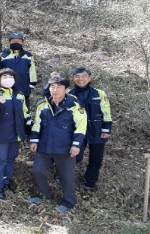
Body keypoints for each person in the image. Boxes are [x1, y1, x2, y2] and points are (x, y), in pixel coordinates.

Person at [29, 76, 87, 213]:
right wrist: (34, 140)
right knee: (37, 171)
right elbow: (37, 124)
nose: (55, 90)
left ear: (66, 89)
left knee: (66, 176)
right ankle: (45, 195)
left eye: (59, 87)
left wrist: (76, 144)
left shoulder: (75, 105)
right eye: (52, 87)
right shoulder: (42, 104)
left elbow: (81, 126)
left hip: (65, 147)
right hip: (45, 145)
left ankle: (68, 202)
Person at [0, 68, 31, 200]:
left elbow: (25, 112)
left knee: (11, 159)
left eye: (10, 76)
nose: (8, 79)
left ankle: (6, 181)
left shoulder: (19, 95)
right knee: (0, 160)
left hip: (16, 133)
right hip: (0, 133)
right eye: (4, 76)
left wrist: (28, 122)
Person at [69, 67, 112, 191]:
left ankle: (90, 181)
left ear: (89, 78)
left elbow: (106, 112)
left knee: (96, 158)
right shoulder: (69, 94)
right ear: (73, 78)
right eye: (77, 76)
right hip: (78, 131)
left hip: (97, 130)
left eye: (83, 76)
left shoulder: (99, 93)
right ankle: (64, 175)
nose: (80, 79)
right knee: (76, 156)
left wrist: (106, 129)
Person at [0, 32, 37, 110]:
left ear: (23, 42)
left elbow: (32, 71)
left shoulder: (28, 55)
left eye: (18, 41)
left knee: (24, 110)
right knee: (7, 110)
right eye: (13, 41)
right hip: (6, 88)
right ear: (9, 42)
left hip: (23, 86)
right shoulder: (4, 55)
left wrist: (32, 85)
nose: (16, 43)